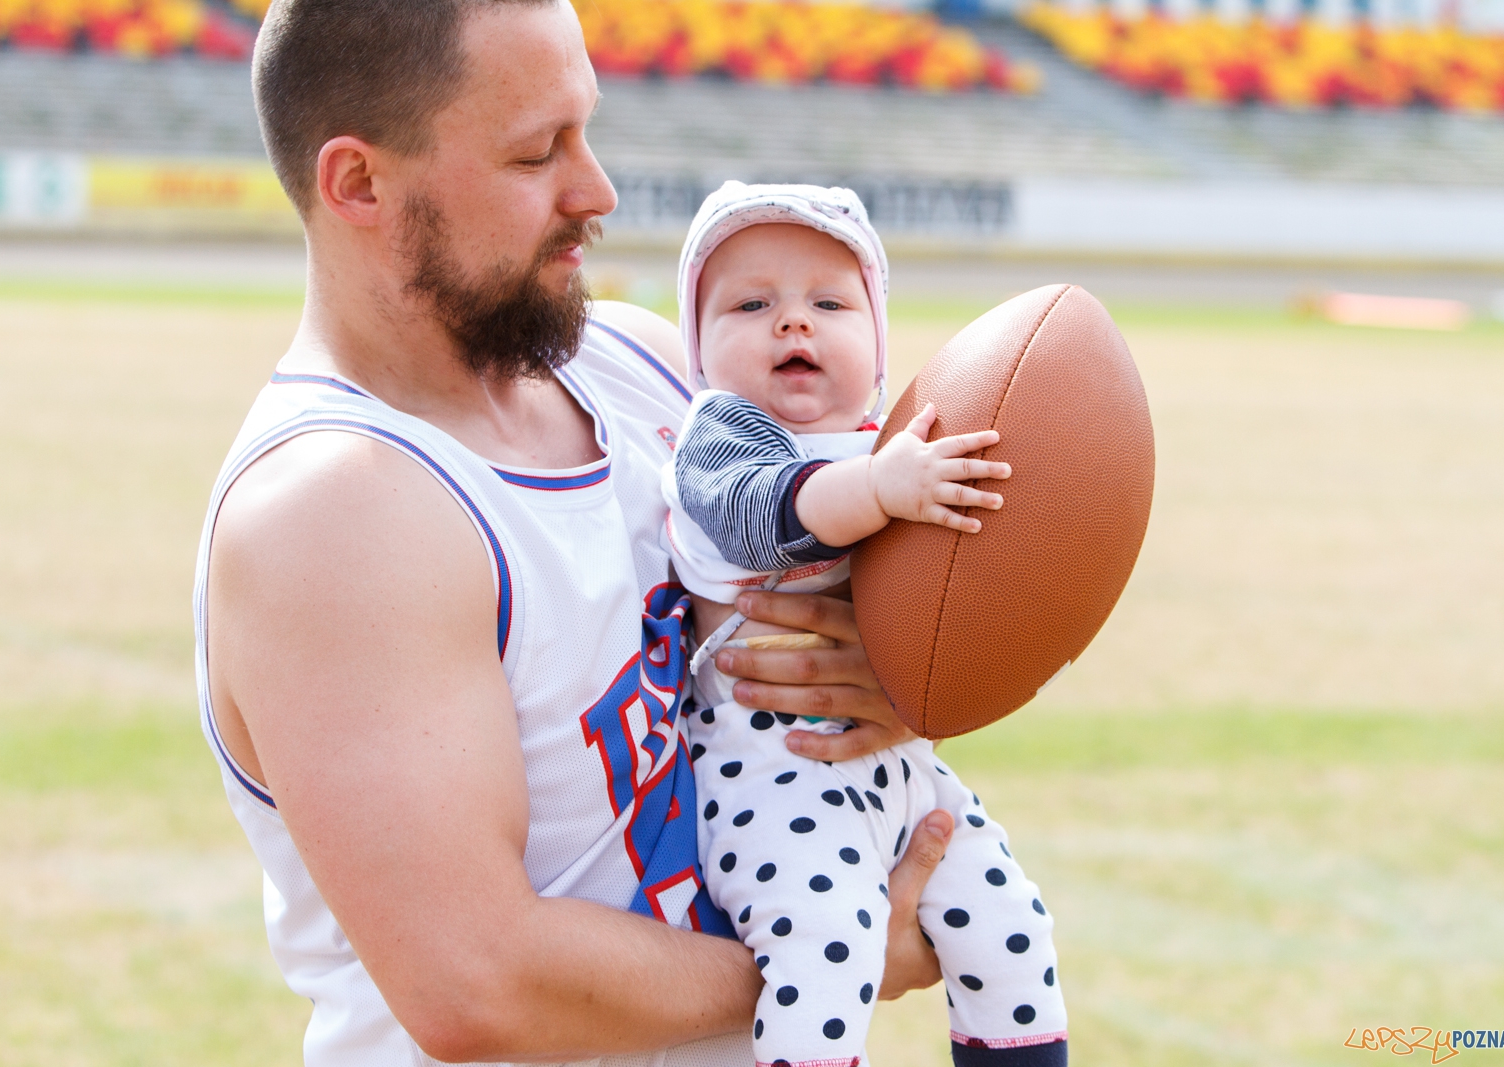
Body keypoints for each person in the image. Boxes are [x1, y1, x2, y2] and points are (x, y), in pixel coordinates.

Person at [194, 3, 954, 1065]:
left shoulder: (640, 364)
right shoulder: (333, 511)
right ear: (359, 185)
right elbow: (481, 983)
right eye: (534, 150)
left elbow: (844, 552)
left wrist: (889, 669)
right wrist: (832, 952)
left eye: (584, 130)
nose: (594, 189)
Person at [663, 183, 1068, 1067]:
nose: (792, 325)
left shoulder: (893, 443)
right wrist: (884, 489)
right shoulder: (718, 441)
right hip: (771, 775)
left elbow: (959, 596)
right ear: (697, 350)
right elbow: (762, 511)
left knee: (1010, 922)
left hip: (897, 766)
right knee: (827, 940)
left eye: (829, 303)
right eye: (751, 303)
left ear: (879, 346)